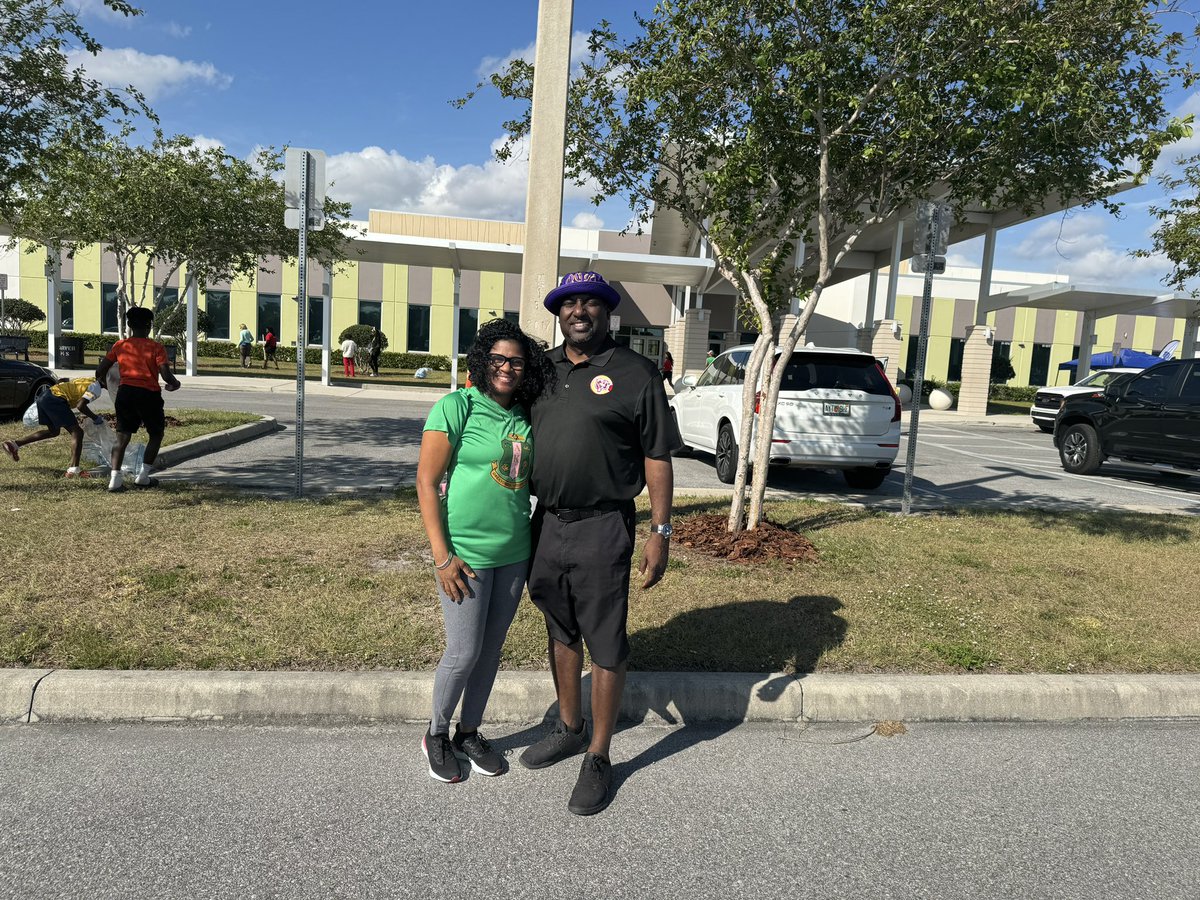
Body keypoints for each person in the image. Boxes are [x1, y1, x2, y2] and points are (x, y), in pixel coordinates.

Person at [520, 271, 680, 816]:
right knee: (559, 626)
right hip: (546, 524)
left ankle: (599, 756)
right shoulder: (542, 371)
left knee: (605, 641)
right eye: (569, 303)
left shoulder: (636, 374)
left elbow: (658, 455)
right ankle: (569, 726)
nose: (578, 311)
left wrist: (660, 532)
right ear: (558, 313)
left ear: (607, 312)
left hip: (605, 524)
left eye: (589, 302)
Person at [415, 318, 555, 783]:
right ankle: (435, 732)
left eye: (516, 361)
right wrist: (442, 556)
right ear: (482, 361)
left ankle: (468, 732)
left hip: (514, 552)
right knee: (464, 650)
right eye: (498, 359)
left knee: (490, 650)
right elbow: (427, 482)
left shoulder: (524, 414)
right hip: (465, 555)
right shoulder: (456, 407)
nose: (507, 368)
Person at [96, 305, 181, 492]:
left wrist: (103, 381)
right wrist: (175, 383)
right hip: (148, 394)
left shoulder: (120, 346)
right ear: (150, 325)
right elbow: (166, 375)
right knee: (156, 434)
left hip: (125, 393)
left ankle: (115, 480)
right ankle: (143, 476)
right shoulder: (156, 347)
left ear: (129, 324)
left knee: (122, 437)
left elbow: (100, 370)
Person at [2, 377, 105, 477]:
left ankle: (14, 444)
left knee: (54, 432)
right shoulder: (96, 388)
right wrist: (95, 418)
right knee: (77, 432)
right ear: (106, 380)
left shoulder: (90, 379)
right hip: (56, 399)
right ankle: (73, 469)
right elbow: (81, 405)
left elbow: (65, 381)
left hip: (46, 395)